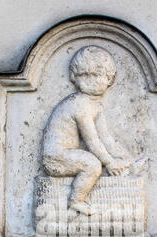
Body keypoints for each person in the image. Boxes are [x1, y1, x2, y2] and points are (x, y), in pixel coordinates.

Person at [42, 45, 130, 216]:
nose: (91, 80)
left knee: (100, 161)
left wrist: (123, 157)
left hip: (67, 154)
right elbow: (92, 141)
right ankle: (76, 201)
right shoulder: (80, 104)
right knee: (92, 164)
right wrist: (109, 163)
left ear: (110, 79)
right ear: (75, 78)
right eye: (84, 75)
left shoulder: (95, 106)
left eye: (97, 75)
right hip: (55, 158)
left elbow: (106, 138)